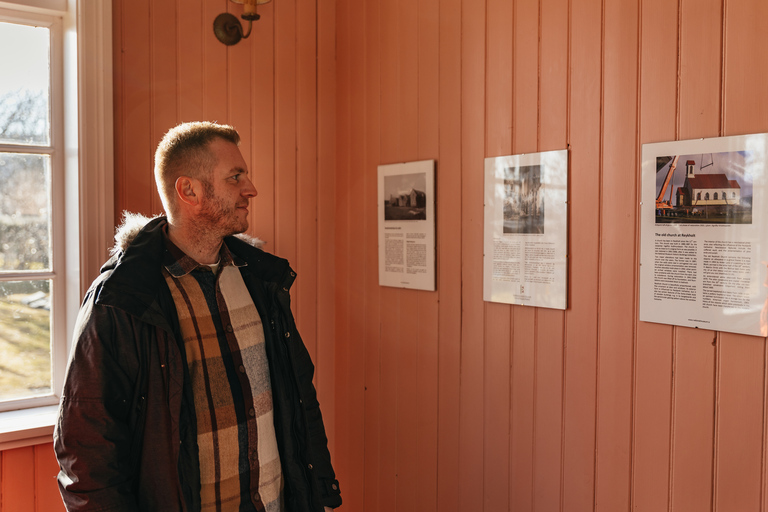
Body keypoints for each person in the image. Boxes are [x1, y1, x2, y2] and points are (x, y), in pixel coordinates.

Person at [54, 121, 341, 512]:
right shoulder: (122, 300)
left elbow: (299, 398)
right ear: (189, 190)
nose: (251, 189)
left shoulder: (262, 281)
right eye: (235, 177)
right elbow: (87, 450)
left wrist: (317, 492)